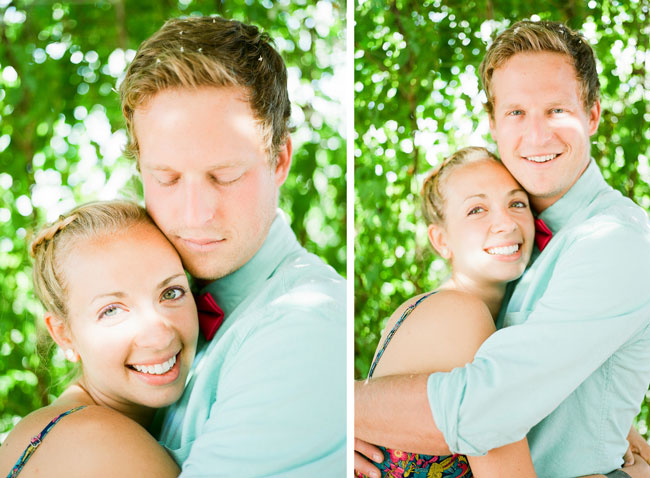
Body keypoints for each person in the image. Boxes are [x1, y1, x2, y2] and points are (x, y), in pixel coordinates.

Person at [355, 20, 650, 478]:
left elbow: (486, 410)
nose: (538, 135)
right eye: (517, 113)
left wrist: (349, 405)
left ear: (593, 116)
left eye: (557, 110)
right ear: (494, 123)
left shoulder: (615, 242)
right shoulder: (507, 252)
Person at [119, 16, 346, 476]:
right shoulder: (131, 306)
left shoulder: (305, 326)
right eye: (167, 178)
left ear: (279, 159)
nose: (195, 214)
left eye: (225, 176)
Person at [367, 146, 537, 477]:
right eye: (477, 210)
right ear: (441, 240)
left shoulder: (430, 309)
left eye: (517, 203)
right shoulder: (457, 315)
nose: (505, 222)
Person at [0, 200, 198, 477]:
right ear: (63, 335)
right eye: (112, 311)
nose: (159, 336)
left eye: (171, 292)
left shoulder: (43, 431)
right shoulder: (110, 447)